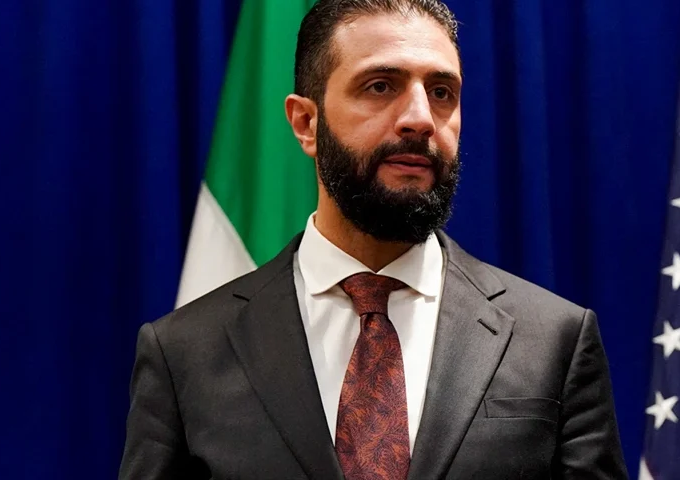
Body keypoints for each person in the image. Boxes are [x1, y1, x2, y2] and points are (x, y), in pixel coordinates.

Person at [119, 0, 628, 478]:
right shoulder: (183, 352)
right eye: (381, 86)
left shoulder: (555, 340)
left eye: (442, 92)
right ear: (306, 122)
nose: (420, 119)